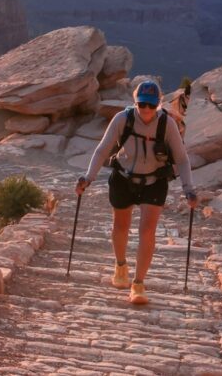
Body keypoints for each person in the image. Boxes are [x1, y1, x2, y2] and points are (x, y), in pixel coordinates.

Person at [75, 80, 198, 304]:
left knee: (147, 231)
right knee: (120, 226)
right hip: (123, 178)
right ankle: (121, 266)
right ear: (136, 102)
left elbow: (181, 158)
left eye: (151, 106)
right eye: (142, 105)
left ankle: (138, 284)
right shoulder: (123, 119)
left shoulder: (167, 124)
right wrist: (88, 177)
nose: (146, 110)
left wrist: (189, 190)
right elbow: (102, 150)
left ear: (159, 104)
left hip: (154, 181)